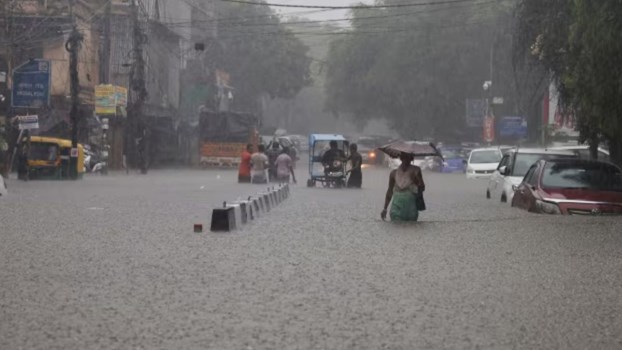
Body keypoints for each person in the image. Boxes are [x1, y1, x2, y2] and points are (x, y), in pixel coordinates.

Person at [381, 152, 425, 222]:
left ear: (411, 159)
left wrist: (416, 181)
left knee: (411, 226)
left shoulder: (416, 171)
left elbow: (422, 188)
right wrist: (385, 208)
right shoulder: (394, 173)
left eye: (408, 157)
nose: (406, 160)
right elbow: (389, 191)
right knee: (396, 225)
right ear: (401, 158)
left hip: (411, 207)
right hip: (396, 207)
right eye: (404, 157)